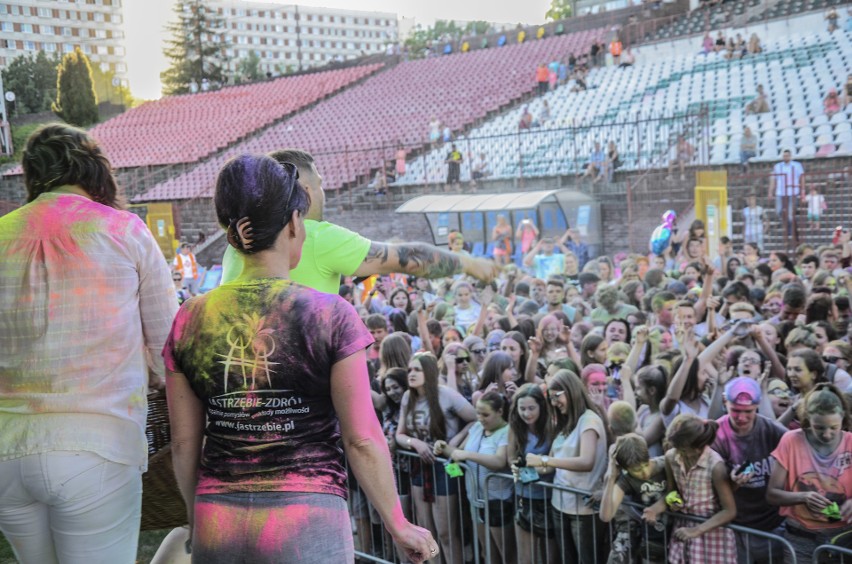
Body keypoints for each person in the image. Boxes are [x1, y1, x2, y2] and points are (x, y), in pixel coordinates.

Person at [164, 154, 437, 563]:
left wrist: (194, 514)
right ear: (294, 223)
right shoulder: (330, 314)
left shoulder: (190, 317)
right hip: (307, 517)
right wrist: (398, 523)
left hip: (218, 517)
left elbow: (185, 442)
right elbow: (361, 438)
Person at [0, 124, 178, 563]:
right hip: (98, 446)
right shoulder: (125, 231)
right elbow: (169, 348)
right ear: (95, 169)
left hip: (6, 448)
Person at [221, 149, 499, 292]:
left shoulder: (239, 244)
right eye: (319, 184)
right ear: (305, 193)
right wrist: (469, 263)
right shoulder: (318, 236)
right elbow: (413, 257)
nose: (323, 192)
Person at [396, 353, 477, 564]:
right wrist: (415, 443)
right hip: (419, 467)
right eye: (410, 370)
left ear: (429, 372)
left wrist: (455, 441)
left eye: (417, 370)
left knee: (445, 531)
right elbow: (400, 434)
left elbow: (475, 419)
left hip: (444, 468)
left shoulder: (447, 395)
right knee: (426, 530)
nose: (411, 374)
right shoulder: (407, 397)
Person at [526, 370, 610, 564]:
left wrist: (544, 461)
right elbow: (551, 467)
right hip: (560, 504)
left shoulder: (589, 420)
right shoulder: (565, 423)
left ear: (571, 390)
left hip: (584, 510)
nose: (555, 403)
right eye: (552, 398)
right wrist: (527, 468)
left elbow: (585, 462)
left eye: (557, 396)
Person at [766, 384, 852, 563]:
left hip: (841, 538)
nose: (827, 434)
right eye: (819, 428)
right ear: (807, 419)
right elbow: (772, 495)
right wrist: (803, 496)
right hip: (799, 537)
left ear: (843, 419)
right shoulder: (791, 440)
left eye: (834, 428)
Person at [712, 378, 788, 563]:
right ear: (725, 402)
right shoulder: (716, 434)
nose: (742, 417)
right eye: (735, 410)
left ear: (758, 405)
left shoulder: (773, 430)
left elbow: (801, 453)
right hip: (736, 528)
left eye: (748, 411)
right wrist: (731, 482)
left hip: (772, 526)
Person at [434, 392, 516, 563]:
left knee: (506, 554)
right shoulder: (478, 428)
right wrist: (442, 447)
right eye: (478, 413)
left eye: (485, 414)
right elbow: (458, 453)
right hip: (475, 501)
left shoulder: (507, 431)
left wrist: (468, 455)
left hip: (497, 502)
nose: (480, 418)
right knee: (487, 553)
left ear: (500, 412)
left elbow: (500, 461)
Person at [643, 415, 737, 563]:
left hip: (712, 536)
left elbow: (729, 511)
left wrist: (696, 531)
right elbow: (672, 492)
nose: (679, 454)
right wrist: (656, 508)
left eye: (684, 450)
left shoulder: (715, 465)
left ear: (698, 447)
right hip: (683, 531)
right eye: (677, 449)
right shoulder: (671, 457)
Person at [507, 384, 555, 564]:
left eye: (531, 408)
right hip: (523, 496)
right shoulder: (515, 427)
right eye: (522, 408)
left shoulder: (551, 427)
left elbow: (553, 460)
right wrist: (516, 466)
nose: (526, 413)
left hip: (548, 497)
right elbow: (510, 458)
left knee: (550, 555)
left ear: (541, 406)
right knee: (526, 556)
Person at [769, 149, 805, 238]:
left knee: (790, 214)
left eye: (787, 155)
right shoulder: (778, 166)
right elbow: (773, 179)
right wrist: (771, 191)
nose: (785, 157)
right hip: (780, 192)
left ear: (790, 156)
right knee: (779, 211)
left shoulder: (797, 165)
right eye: (784, 156)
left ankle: (791, 231)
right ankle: (790, 227)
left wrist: (802, 190)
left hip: (793, 191)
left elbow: (801, 178)